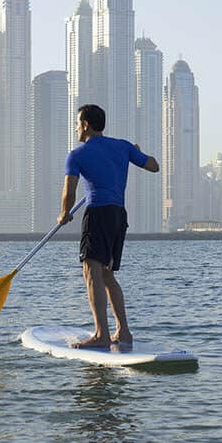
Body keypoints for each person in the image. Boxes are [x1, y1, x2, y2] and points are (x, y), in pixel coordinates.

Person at [58, 104, 159, 349]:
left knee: (91, 272)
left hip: (98, 215)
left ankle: (101, 334)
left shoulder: (77, 154)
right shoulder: (123, 146)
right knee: (107, 274)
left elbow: (69, 191)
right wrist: (136, 152)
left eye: (76, 123)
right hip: (118, 216)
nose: (75, 128)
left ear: (85, 125)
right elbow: (154, 166)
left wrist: (63, 214)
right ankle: (123, 332)